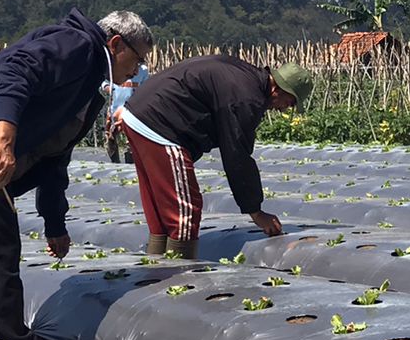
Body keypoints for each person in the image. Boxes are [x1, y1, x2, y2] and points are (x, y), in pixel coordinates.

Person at [0, 9, 151, 340]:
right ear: (116, 44)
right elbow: (18, 70)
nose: (137, 70)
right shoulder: (79, 45)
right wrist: (5, 138)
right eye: (138, 59)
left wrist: (55, 224)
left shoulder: (88, 84)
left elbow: (55, 155)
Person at [119, 55, 313, 257]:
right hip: (160, 124)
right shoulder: (247, 97)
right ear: (277, 90)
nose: (284, 108)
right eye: (289, 103)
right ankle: (176, 278)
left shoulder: (246, 76)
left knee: (162, 205)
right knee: (185, 210)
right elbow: (237, 155)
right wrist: (255, 211)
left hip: (139, 113)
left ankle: (157, 265)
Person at [103, 61, 149, 162]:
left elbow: (146, 87)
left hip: (132, 110)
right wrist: (108, 88)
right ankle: (114, 161)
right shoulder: (116, 67)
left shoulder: (143, 70)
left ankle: (130, 161)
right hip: (115, 108)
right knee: (111, 137)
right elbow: (104, 82)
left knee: (131, 138)